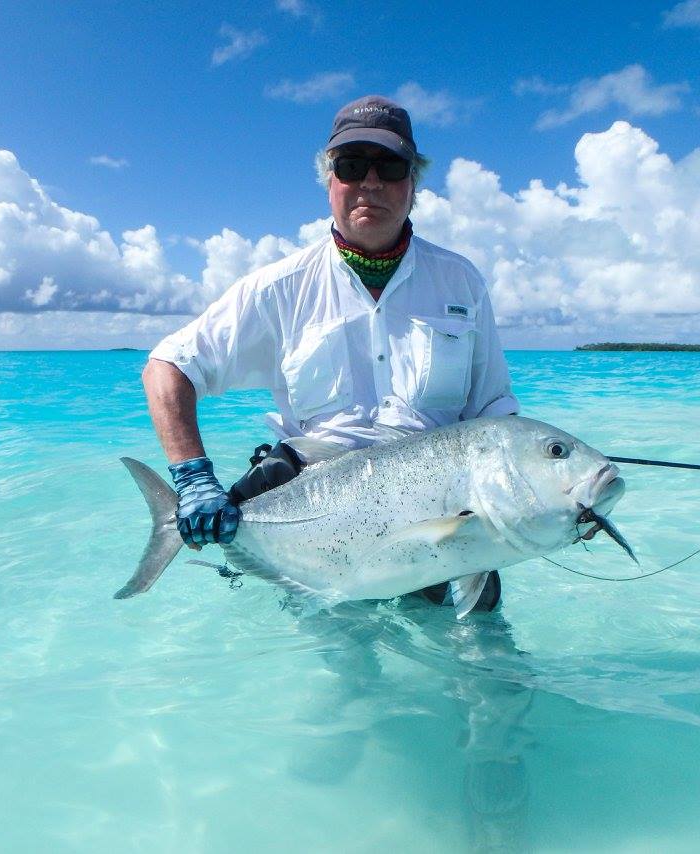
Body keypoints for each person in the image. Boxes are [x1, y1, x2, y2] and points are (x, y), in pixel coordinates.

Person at [142, 95, 519, 612]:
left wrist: (554, 500)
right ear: (329, 180)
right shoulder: (278, 287)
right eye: (351, 166)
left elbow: (493, 411)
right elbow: (169, 366)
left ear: (414, 183)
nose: (370, 182)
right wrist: (192, 476)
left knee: (485, 672)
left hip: (445, 522)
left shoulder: (461, 281)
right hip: (315, 519)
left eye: (389, 166)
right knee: (348, 684)